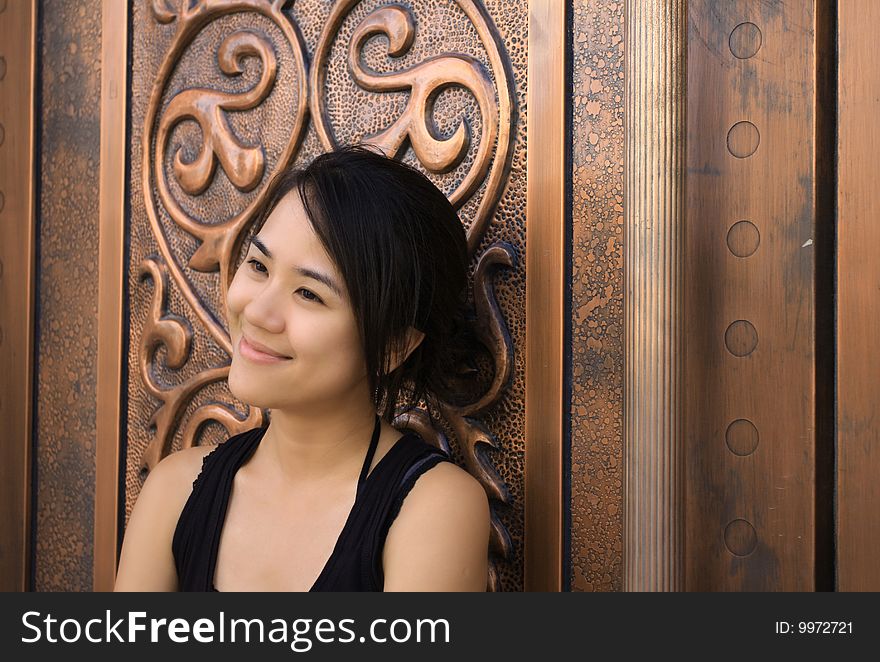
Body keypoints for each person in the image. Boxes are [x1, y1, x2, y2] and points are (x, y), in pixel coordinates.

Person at [114, 145, 490, 591]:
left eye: (309, 294)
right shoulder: (174, 492)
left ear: (393, 346)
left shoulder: (432, 506)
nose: (257, 312)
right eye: (258, 266)